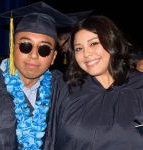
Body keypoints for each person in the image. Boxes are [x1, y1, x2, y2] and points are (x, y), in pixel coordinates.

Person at [48, 15, 143, 150]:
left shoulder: (139, 87)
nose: (86, 54)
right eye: (78, 48)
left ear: (112, 42)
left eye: (93, 43)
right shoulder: (66, 90)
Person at [0, 1, 76, 149]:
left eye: (44, 49)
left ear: (53, 57)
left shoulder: (62, 89)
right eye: (26, 46)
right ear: (12, 48)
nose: (33, 55)